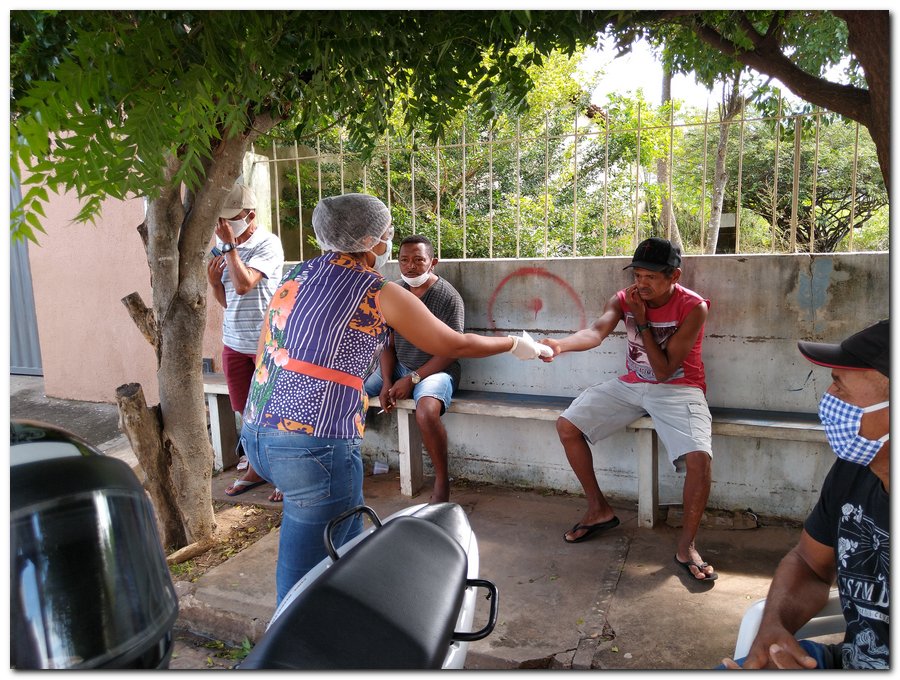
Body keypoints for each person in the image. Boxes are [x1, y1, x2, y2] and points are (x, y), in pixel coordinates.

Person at [239, 192, 549, 603]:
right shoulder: (376, 289)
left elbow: (267, 346)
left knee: (343, 547)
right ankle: (293, 656)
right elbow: (452, 342)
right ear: (371, 241)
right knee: (305, 579)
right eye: (386, 235)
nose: (390, 243)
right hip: (311, 443)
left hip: (257, 432)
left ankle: (343, 630)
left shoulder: (297, 276)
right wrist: (516, 344)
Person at [541, 237, 718, 582]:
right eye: (637, 274)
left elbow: (666, 370)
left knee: (699, 459)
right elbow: (596, 331)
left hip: (679, 388)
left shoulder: (693, 306)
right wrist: (559, 345)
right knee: (567, 425)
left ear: (674, 276)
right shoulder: (626, 298)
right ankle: (599, 510)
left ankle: (687, 547)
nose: (641, 283)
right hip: (632, 383)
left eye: (651, 276)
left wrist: (644, 322)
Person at [721, 319, 889, 670]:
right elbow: (810, 563)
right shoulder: (855, 469)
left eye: (840, 386)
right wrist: (774, 627)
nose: (829, 399)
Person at [364, 235, 464, 503]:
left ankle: (442, 482)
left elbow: (452, 349)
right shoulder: (394, 292)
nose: (411, 266)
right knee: (350, 394)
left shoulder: (447, 297)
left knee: (427, 412)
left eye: (419, 260)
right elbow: (388, 342)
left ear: (433, 262)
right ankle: (346, 465)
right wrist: (386, 380)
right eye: (404, 260)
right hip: (399, 367)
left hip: (437, 369)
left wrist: (413, 378)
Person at [206, 183, 285, 502]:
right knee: (245, 410)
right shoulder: (224, 243)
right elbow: (229, 299)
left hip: (268, 343)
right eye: (221, 219)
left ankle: (282, 473)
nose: (223, 225)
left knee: (274, 410)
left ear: (250, 215)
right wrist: (213, 283)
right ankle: (254, 469)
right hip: (234, 341)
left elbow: (244, 285)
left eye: (231, 218)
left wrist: (230, 249)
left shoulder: (268, 244)